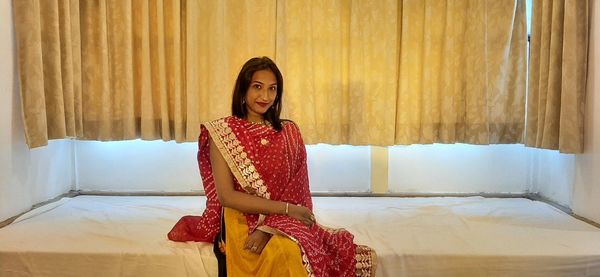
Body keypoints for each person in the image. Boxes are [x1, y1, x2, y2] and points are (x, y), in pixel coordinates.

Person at [168, 56, 377, 277]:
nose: (265, 96)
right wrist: (284, 212)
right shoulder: (223, 133)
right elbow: (227, 197)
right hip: (241, 217)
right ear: (243, 89)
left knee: (289, 249)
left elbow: (298, 193)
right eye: (257, 87)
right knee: (281, 253)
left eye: (272, 89)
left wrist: (269, 228)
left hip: (283, 221)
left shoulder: (289, 132)